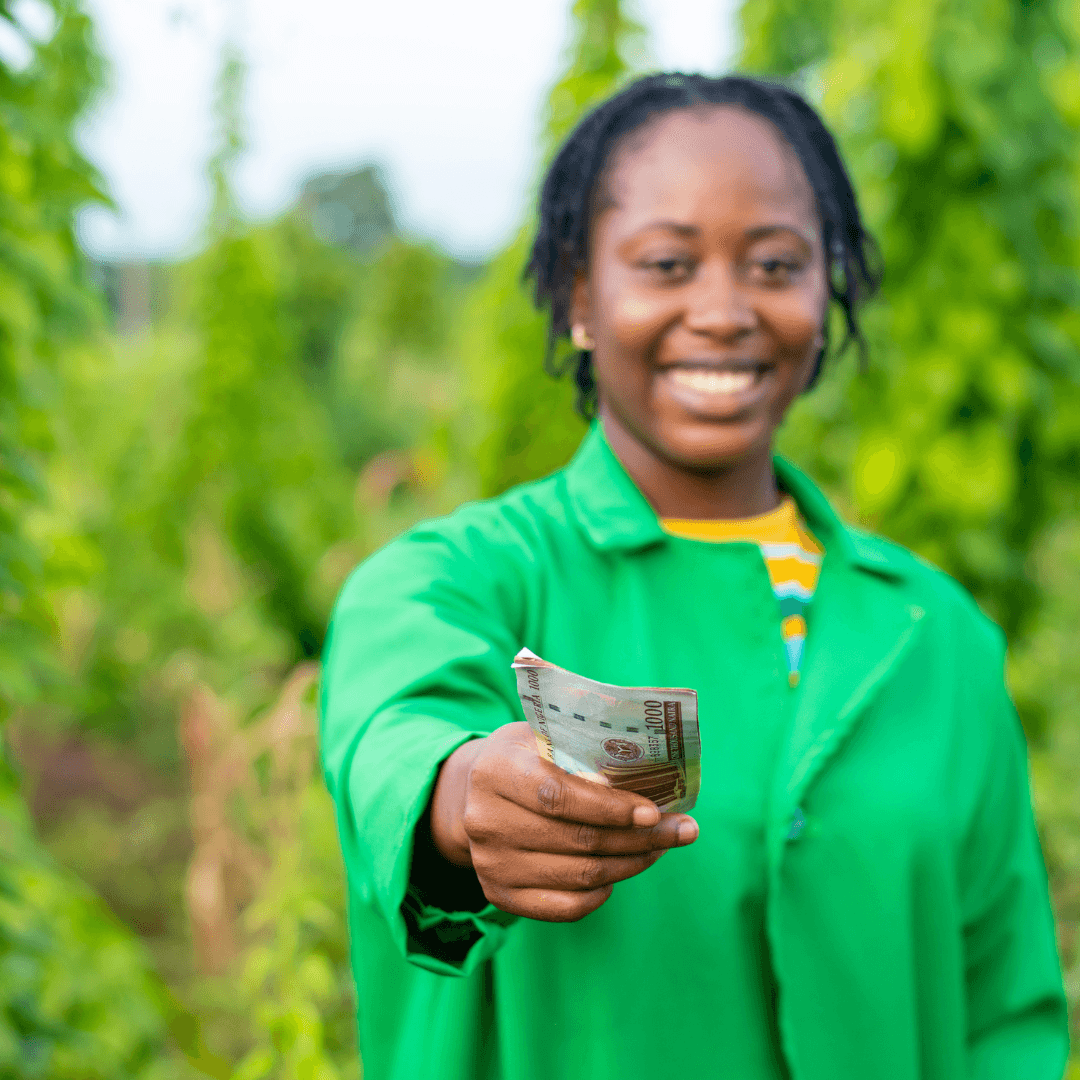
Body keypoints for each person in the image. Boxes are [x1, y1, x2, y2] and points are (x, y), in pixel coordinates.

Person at [320, 73, 1068, 1080]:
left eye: (775, 264)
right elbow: (397, 742)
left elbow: (1005, 1012)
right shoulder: (449, 580)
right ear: (581, 297)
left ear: (825, 290)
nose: (724, 312)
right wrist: (463, 801)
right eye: (668, 264)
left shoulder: (937, 633)